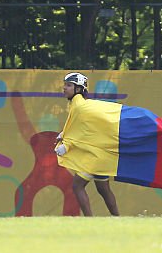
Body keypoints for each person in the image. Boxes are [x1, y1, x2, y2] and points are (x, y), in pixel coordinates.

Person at [55, 72, 119, 217]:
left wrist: (67, 145)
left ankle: (89, 219)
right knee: (103, 188)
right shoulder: (79, 104)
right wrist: (63, 134)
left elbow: (81, 132)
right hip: (99, 154)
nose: (64, 88)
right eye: (65, 85)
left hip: (94, 157)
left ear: (78, 89)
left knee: (77, 186)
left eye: (69, 85)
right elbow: (77, 127)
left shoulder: (78, 106)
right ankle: (117, 218)